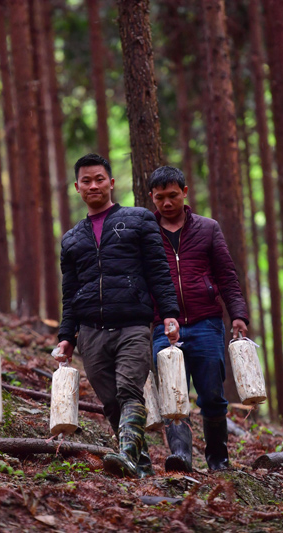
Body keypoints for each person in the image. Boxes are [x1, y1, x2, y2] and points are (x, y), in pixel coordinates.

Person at [54, 153, 181, 478]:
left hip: (133, 325)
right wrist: (66, 337)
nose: (93, 185)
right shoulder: (71, 239)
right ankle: (138, 464)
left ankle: (125, 453)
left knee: (128, 391)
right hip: (91, 332)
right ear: (77, 187)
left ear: (111, 183)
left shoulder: (139, 220)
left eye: (99, 179)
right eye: (86, 180)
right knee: (111, 402)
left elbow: (158, 270)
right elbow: (69, 294)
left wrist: (169, 314)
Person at [148, 165, 249, 472]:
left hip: (207, 323)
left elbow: (227, 276)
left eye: (173, 196)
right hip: (163, 326)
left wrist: (239, 315)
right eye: (160, 197)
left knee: (213, 396)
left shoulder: (208, 228)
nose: (167, 203)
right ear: (151, 197)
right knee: (172, 395)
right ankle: (180, 456)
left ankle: (218, 459)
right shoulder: (146, 232)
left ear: (185, 193)